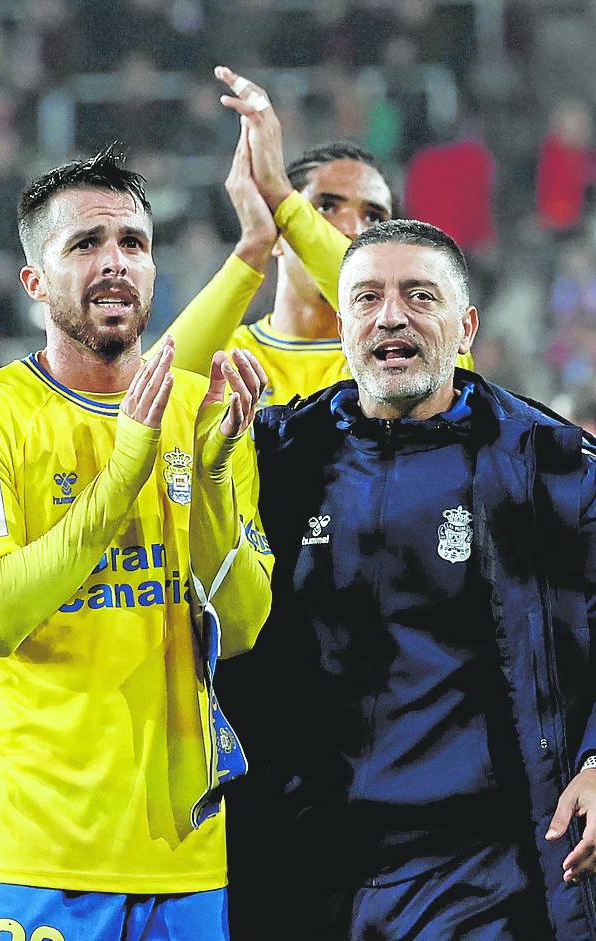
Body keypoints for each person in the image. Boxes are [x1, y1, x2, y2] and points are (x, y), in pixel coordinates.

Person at [0, 146, 273, 940]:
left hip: (180, 859)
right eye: (84, 244)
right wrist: (120, 477)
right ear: (34, 282)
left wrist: (212, 480)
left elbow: (242, 626)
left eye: (131, 244)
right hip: (24, 858)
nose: (113, 262)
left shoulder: (204, 409)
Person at [246, 218, 596, 939]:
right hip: (309, 861)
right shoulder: (277, 461)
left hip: (477, 868)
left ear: (464, 326)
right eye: (367, 298)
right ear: (341, 326)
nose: (391, 316)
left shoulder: (549, 466)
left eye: (418, 295)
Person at [163, 64, 471, 404]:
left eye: (372, 217)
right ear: (283, 232)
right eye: (326, 207)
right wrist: (252, 248)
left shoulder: (411, 348)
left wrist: (280, 196)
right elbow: (136, 407)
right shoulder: (228, 356)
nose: (353, 228)